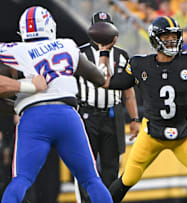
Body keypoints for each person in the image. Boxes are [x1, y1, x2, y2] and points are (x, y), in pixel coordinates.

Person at [105, 16, 187, 203]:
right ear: (155, 39)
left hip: (183, 132)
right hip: (152, 132)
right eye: (166, 36)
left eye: (174, 36)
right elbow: (109, 82)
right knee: (128, 178)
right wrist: (104, 54)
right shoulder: (140, 64)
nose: (172, 40)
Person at [0, 6, 114, 203]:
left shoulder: (15, 50)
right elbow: (99, 77)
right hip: (66, 116)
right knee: (91, 180)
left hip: (33, 120)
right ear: (51, 27)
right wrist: (103, 55)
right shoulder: (67, 45)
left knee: (21, 180)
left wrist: (21, 96)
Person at [74, 11, 139, 203]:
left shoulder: (121, 54)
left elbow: (128, 91)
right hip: (88, 113)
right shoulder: (80, 53)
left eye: (106, 27)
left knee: (112, 167)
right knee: (87, 165)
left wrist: (134, 119)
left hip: (113, 114)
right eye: (99, 28)